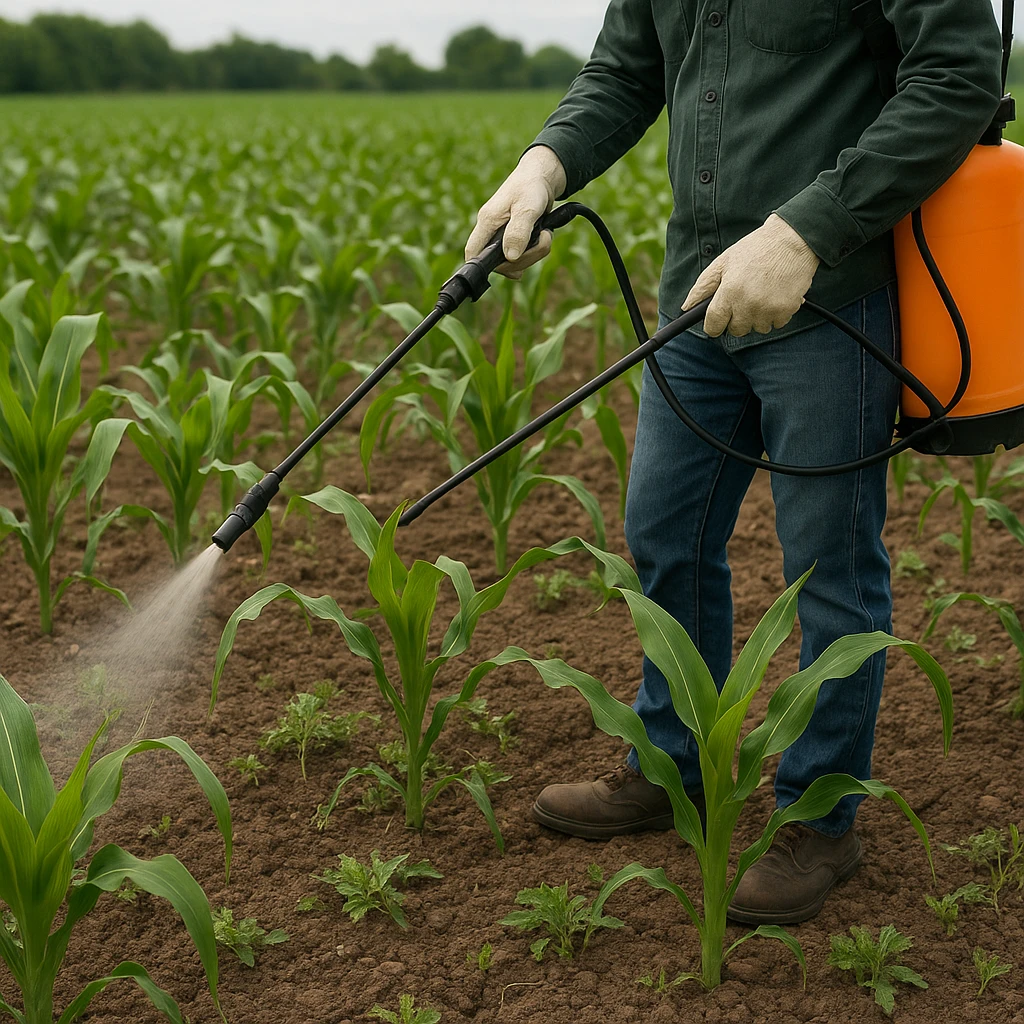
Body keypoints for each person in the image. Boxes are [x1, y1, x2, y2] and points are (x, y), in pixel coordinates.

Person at [465, 1, 1004, 924]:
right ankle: (673, 765)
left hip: (832, 296)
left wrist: (803, 233)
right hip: (697, 294)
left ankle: (823, 816)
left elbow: (957, 76)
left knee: (829, 567)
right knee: (665, 535)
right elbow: (625, 71)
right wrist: (542, 164)